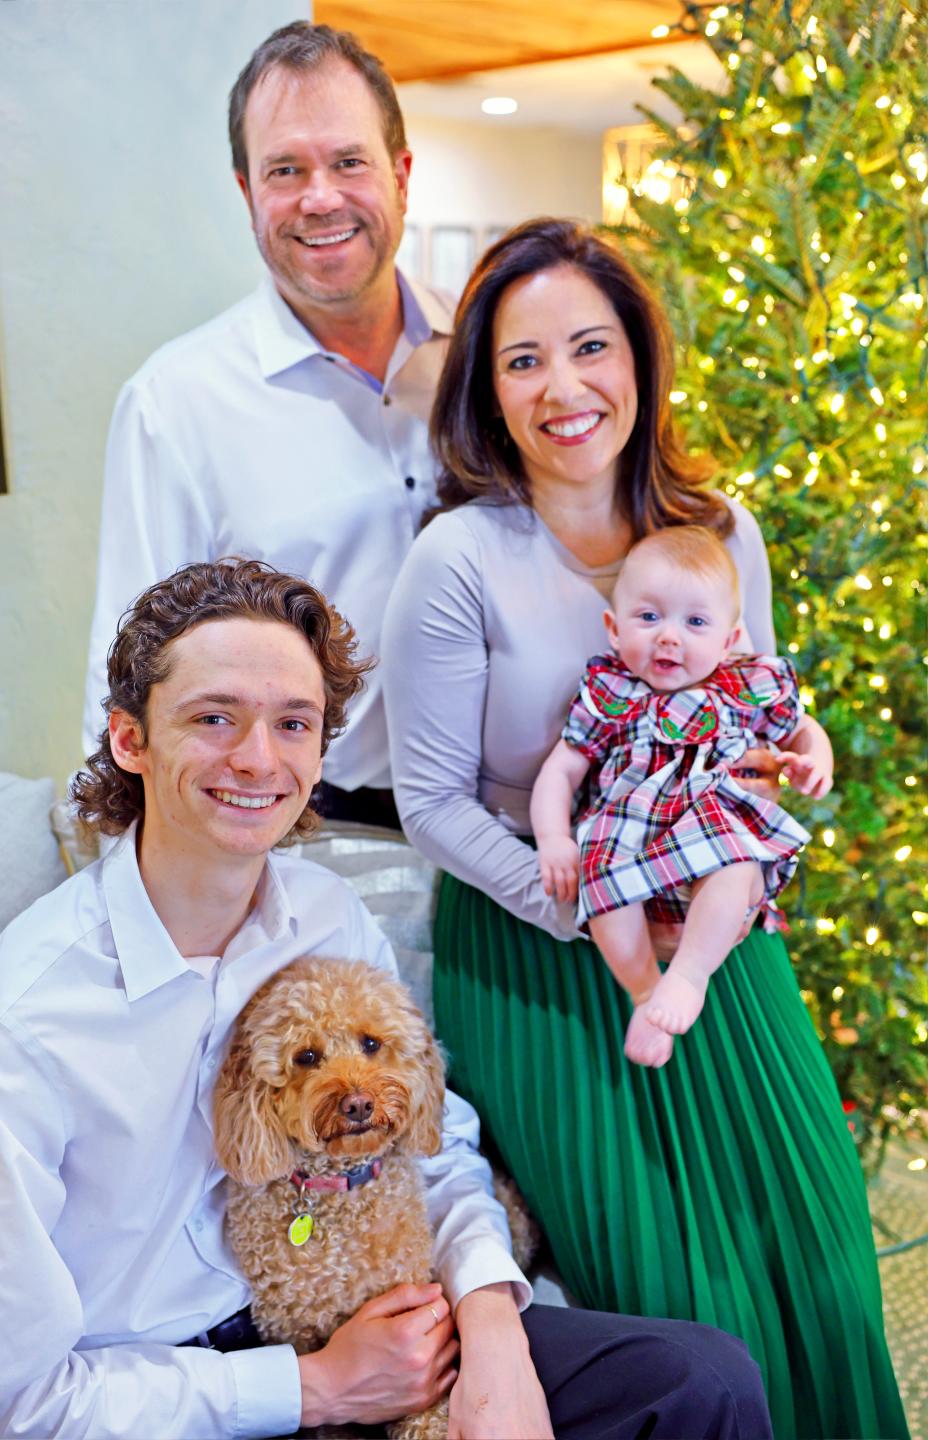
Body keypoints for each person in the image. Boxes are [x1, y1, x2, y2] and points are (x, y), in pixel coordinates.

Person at [0, 558, 772, 1440]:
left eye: (292, 723)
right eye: (213, 718)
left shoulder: (325, 915)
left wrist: (491, 1326)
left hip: (369, 1306)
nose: (257, 758)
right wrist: (315, 1389)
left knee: (703, 1383)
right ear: (130, 739)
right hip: (163, 1393)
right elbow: (11, 1403)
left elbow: (432, 1142)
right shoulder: (17, 1023)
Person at [381, 219, 908, 1440]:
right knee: (669, 1274)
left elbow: (754, 706)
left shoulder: (721, 527)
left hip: (717, 936)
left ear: (639, 359)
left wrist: (786, 769)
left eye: (590, 347)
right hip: (540, 948)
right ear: (487, 389)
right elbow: (435, 805)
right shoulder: (457, 561)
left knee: (816, 1232)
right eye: (522, 361)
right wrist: (576, 898)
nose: (563, 388)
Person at [83, 21, 453, 827]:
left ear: (400, 175)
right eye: (286, 169)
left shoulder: (491, 359)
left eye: (348, 161)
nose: (320, 196)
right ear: (249, 192)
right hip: (304, 834)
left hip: (520, 828)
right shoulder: (175, 404)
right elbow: (126, 682)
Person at [531, 525, 833, 1067]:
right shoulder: (612, 691)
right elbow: (562, 770)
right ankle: (645, 991)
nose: (669, 636)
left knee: (737, 866)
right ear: (614, 628)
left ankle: (690, 977)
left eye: (695, 622)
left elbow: (802, 729)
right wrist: (553, 838)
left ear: (729, 638)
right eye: (649, 617)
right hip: (628, 828)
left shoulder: (747, 684)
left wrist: (817, 760)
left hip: (715, 816)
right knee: (604, 889)